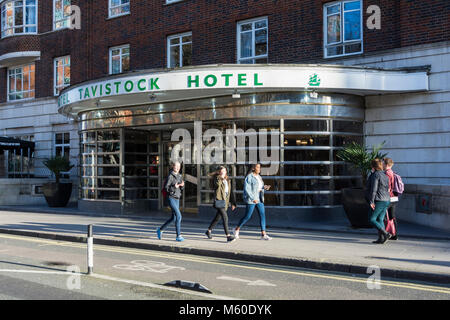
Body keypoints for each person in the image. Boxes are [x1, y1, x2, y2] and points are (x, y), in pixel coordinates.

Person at [234, 163, 272, 240]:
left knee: (262, 215)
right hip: (252, 199)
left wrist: (264, 187)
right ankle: (236, 229)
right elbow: (247, 189)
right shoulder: (249, 177)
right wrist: (252, 198)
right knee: (247, 216)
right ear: (253, 168)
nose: (259, 169)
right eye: (258, 167)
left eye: (260, 167)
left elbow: (259, 187)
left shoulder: (259, 177)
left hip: (259, 198)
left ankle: (263, 234)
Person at [205, 166, 237, 243]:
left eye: (224, 171)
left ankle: (208, 231)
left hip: (225, 202)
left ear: (226, 172)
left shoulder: (228, 180)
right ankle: (228, 236)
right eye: (221, 171)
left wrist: (233, 203)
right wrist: (221, 178)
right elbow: (217, 185)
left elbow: (230, 192)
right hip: (219, 201)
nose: (223, 172)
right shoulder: (217, 179)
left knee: (217, 218)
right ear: (219, 172)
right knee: (225, 217)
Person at [157, 161, 185, 242]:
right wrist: (174, 187)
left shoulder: (179, 176)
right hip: (171, 198)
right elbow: (166, 188)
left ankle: (160, 229)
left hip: (177, 198)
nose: (177, 168)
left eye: (178, 166)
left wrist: (182, 186)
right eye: (176, 166)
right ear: (173, 167)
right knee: (179, 216)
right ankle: (178, 235)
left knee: (174, 218)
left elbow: (180, 188)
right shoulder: (170, 176)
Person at [365, 158, 391, 244]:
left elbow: (374, 189)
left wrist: (371, 201)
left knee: (371, 219)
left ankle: (385, 234)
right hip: (386, 200)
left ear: (373, 166)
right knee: (380, 219)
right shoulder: (385, 175)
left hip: (379, 200)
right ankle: (381, 238)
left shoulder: (376, 175)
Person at [384, 157, 399, 240]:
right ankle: (395, 234)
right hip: (394, 197)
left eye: (383, 163)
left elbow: (386, 186)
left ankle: (386, 233)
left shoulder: (386, 174)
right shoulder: (392, 173)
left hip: (388, 197)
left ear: (386, 164)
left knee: (384, 216)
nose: (382, 165)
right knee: (392, 216)